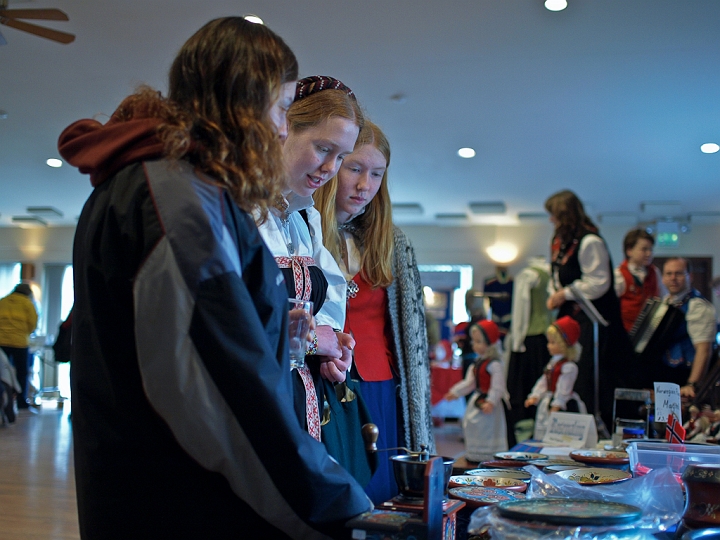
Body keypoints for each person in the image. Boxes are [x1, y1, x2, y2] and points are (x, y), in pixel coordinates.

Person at [58, 18, 370, 539]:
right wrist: (337, 509)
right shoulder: (176, 199)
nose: (279, 128)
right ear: (239, 101)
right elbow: (219, 394)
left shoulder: (176, 188)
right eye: (278, 107)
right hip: (177, 498)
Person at [256, 76, 377, 487]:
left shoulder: (306, 217)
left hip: (305, 398)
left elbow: (329, 298)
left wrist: (336, 345)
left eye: (341, 157)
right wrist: (310, 341)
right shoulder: (241, 210)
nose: (330, 169)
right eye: (323, 149)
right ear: (284, 128)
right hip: (258, 399)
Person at [314, 120, 434, 504]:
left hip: (382, 385)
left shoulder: (394, 242)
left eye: (377, 173)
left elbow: (411, 335)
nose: (365, 185)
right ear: (333, 166)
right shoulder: (301, 229)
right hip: (323, 382)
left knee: (384, 494)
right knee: (337, 492)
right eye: (355, 168)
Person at [544, 189, 629, 429]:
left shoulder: (590, 241)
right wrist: (555, 293)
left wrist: (565, 293)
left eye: (554, 215)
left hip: (594, 323)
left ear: (565, 215)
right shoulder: (563, 242)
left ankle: (589, 426)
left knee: (588, 376)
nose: (551, 221)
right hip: (573, 319)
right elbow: (557, 276)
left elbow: (598, 282)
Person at [444, 320, 510, 461]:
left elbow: (497, 386)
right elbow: (470, 383)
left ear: (490, 343)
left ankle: (489, 453)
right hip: (478, 399)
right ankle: (475, 453)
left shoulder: (495, 364)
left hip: (489, 402)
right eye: (474, 341)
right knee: (471, 423)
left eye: (479, 341)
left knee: (488, 428)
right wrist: (456, 392)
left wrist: (491, 401)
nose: (474, 345)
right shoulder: (477, 363)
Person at [658, 257, 716, 398]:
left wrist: (692, 384)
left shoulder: (698, 306)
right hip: (666, 377)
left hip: (685, 379)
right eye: (668, 274)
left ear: (689, 276)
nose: (673, 278)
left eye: (678, 273)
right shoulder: (664, 302)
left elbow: (704, 350)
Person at [506, 256, 552, 431]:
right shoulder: (549, 274)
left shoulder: (528, 275)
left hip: (529, 340)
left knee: (524, 386)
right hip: (546, 336)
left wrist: (517, 339)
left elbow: (520, 310)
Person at [524, 316, 587, 440]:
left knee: (562, 434)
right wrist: (535, 395)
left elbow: (564, 387)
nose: (548, 346)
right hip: (549, 400)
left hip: (564, 404)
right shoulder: (552, 364)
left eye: (553, 343)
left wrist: (558, 403)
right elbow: (543, 381)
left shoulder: (569, 367)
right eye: (549, 342)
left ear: (564, 344)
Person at [614, 228, 665, 333]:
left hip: (650, 333)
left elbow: (663, 299)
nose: (649, 253)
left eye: (651, 249)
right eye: (644, 249)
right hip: (626, 334)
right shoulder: (619, 275)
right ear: (629, 250)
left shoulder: (655, 272)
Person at [0, 283, 38, 410]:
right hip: (20, 343)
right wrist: (23, 333)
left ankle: (3, 399)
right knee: (22, 373)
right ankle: (21, 402)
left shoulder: (3, 301)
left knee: (2, 372)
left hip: (1, 342)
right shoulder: (28, 303)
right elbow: (33, 324)